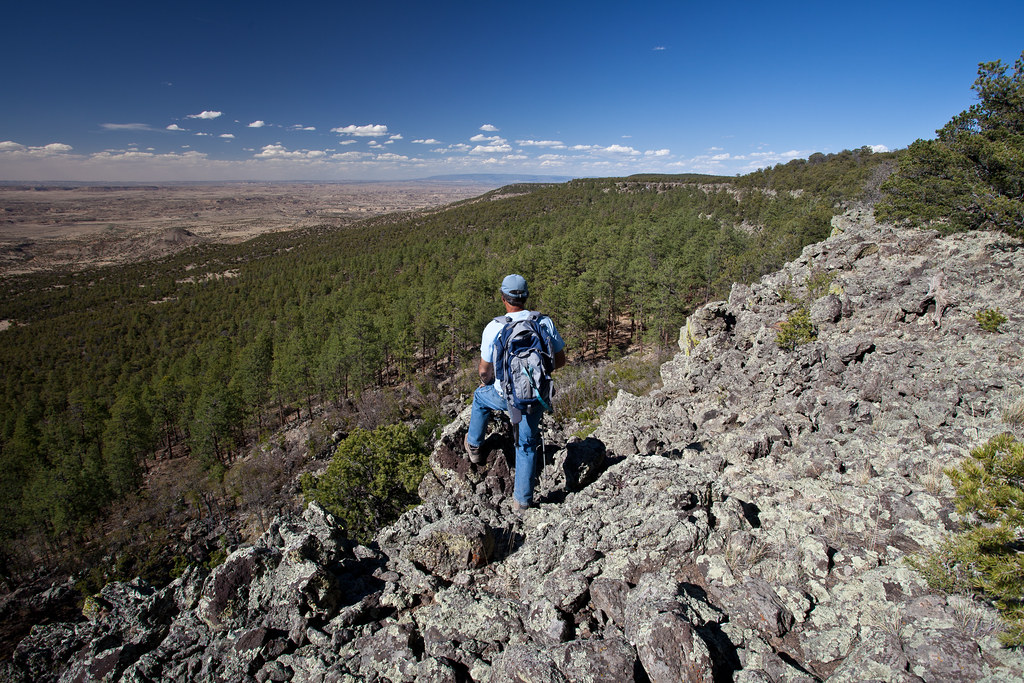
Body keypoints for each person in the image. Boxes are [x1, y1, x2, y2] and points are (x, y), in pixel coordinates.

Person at [465, 274, 566, 511]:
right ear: (526, 296)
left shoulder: (495, 327)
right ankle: (522, 502)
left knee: (480, 398)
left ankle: (475, 448)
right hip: (535, 396)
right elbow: (559, 361)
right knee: (527, 445)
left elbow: (484, 369)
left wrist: (487, 381)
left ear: (503, 298)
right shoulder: (544, 323)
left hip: (505, 395)